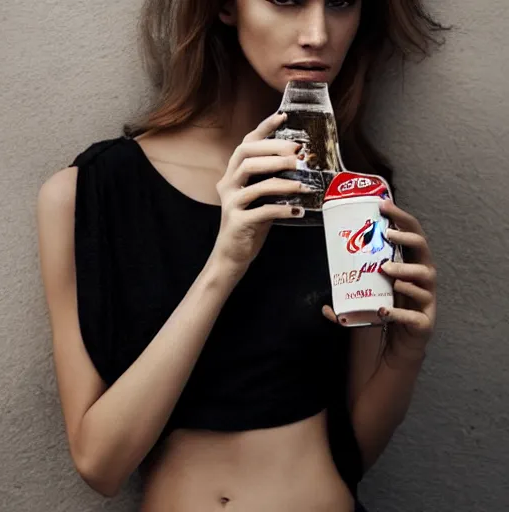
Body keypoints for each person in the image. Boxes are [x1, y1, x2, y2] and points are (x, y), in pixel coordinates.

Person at [37, 1, 442, 510]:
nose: (317, 34)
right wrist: (225, 262)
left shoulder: (354, 195)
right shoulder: (89, 194)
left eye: (340, 2)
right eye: (286, 0)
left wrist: (406, 355)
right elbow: (100, 463)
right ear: (227, 7)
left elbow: (353, 454)